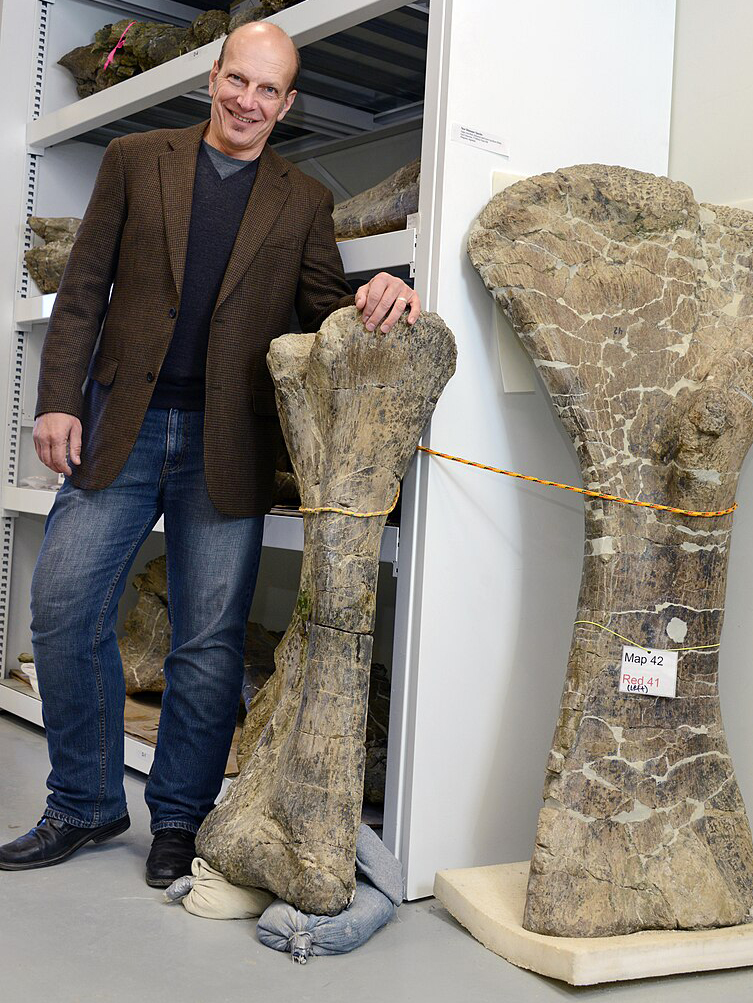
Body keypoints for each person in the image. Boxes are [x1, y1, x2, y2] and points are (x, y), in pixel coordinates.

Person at [0, 21, 419, 886]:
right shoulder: (136, 158)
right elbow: (83, 288)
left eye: (269, 90)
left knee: (207, 643)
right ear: (212, 76)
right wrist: (56, 402)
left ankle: (179, 820)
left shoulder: (302, 198)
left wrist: (378, 288)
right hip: (124, 421)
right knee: (64, 607)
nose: (248, 101)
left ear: (288, 103)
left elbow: (316, 303)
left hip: (227, 441)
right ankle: (83, 799)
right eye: (238, 80)